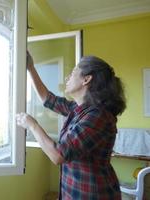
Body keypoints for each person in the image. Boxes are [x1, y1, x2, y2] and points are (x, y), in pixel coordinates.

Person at [16, 52, 126, 199]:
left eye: (73, 72)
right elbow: (49, 100)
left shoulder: (98, 116)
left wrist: (32, 125)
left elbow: (58, 155)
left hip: (92, 194)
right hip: (74, 192)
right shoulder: (78, 109)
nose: (67, 78)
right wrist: (30, 68)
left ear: (86, 79)